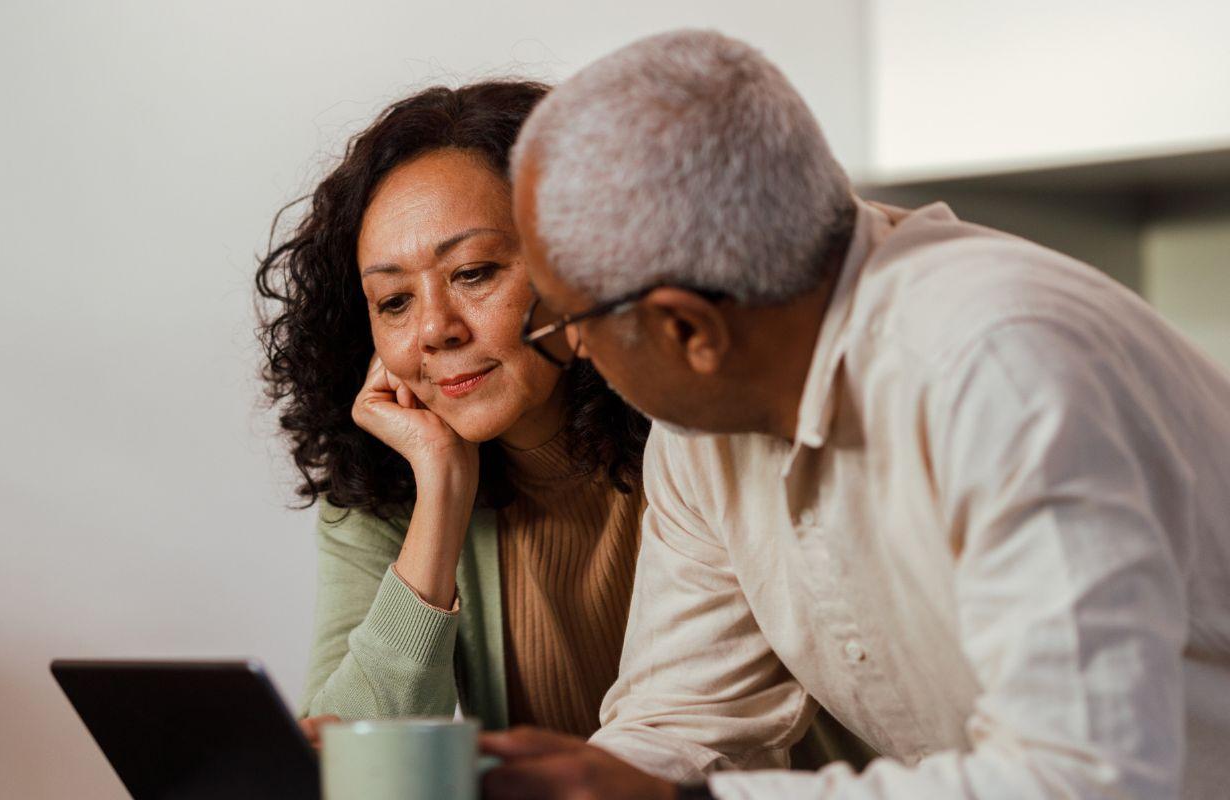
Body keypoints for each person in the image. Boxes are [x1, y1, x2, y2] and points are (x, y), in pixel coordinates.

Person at [482, 28, 1230, 800]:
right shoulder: (702, 426)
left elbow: (1087, 780)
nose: (570, 346)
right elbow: (687, 724)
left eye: (566, 316)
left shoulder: (996, 368)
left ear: (686, 330)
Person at [254, 80, 652, 741]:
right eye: (394, 302)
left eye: (472, 273)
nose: (435, 329)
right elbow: (344, 762)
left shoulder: (694, 436)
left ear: (576, 261)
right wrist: (440, 489)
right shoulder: (384, 487)